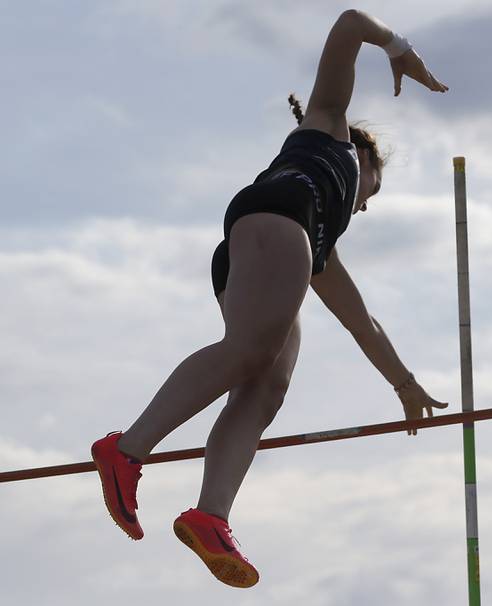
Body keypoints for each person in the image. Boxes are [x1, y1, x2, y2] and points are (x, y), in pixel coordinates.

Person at [90, 9, 450, 589]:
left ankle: (211, 515)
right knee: (250, 351)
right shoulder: (328, 127)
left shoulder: (323, 245)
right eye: (373, 191)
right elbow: (349, 23)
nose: (363, 206)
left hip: (274, 242)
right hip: (274, 218)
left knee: (266, 384)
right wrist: (397, 47)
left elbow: (364, 323)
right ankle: (126, 450)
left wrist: (404, 384)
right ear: (362, 156)